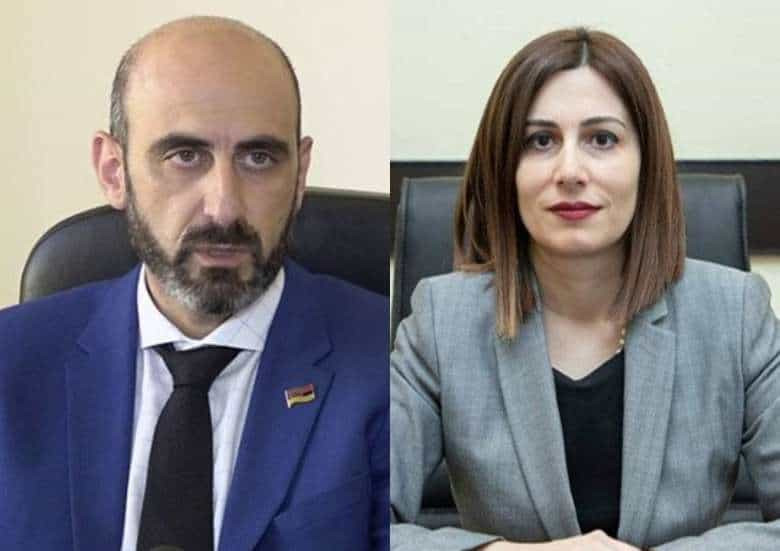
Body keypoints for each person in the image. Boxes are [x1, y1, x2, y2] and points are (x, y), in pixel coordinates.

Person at [0, 16, 388, 551]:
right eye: (185, 156)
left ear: (299, 175)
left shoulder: (382, 358)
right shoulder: (11, 361)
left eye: (258, 158)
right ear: (113, 171)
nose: (224, 207)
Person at [390, 28, 780, 550]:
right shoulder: (441, 322)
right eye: (540, 141)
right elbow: (354, 518)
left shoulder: (736, 313)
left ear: (646, 162)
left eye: (602, 139)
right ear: (505, 168)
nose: (570, 171)